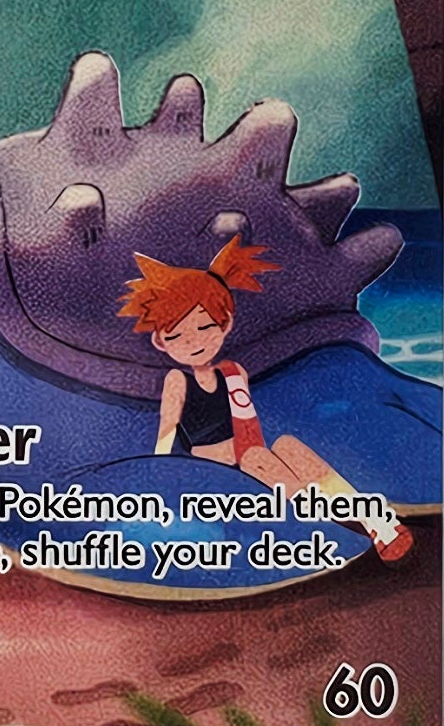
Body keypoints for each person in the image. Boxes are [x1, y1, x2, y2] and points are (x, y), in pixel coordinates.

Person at [118, 239, 412, 557]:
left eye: (204, 327)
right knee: (257, 457)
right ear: (161, 342)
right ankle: (334, 525)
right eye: (176, 335)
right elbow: (167, 432)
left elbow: (249, 427)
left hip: (247, 456)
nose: (193, 342)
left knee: (287, 445)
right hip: (211, 464)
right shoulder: (177, 380)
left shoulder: (233, 373)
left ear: (225, 323)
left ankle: (374, 520)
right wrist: (161, 476)